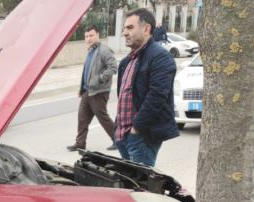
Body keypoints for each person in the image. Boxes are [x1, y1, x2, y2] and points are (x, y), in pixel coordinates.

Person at [114, 8, 179, 166]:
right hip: (123, 135)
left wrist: (137, 128)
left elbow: (156, 97)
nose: (125, 33)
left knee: (141, 187)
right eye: (124, 28)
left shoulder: (160, 57)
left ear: (146, 29)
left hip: (141, 137)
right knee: (129, 185)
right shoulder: (126, 62)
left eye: (130, 28)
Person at [67, 25, 118, 152]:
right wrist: (81, 88)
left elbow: (113, 68)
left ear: (97, 35)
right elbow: (87, 72)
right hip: (87, 91)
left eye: (91, 35)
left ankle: (118, 141)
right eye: (86, 36)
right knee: (82, 118)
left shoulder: (104, 50)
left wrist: (99, 79)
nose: (88, 38)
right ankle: (80, 143)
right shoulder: (90, 51)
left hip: (99, 92)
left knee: (103, 118)